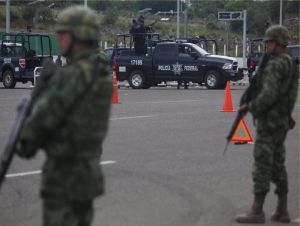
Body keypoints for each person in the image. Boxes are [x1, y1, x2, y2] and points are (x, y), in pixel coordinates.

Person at [16, 6, 112, 226]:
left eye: (62, 34)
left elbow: (29, 139)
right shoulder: (99, 73)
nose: (58, 39)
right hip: (87, 175)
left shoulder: (71, 77)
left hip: (64, 178)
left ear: (78, 36)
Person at [235, 25, 298, 224]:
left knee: (262, 163)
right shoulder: (290, 62)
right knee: (278, 165)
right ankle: (282, 209)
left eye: (269, 42)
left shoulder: (277, 64)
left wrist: (249, 107)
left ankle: (257, 209)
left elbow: (269, 94)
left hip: (269, 122)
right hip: (280, 121)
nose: (266, 45)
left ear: (278, 43)